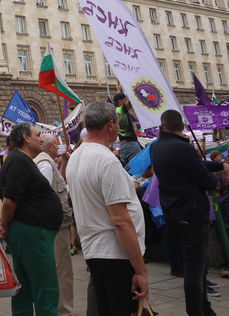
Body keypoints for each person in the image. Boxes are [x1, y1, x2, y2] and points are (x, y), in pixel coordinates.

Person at [150, 110, 229, 316]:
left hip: (173, 212)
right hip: (191, 213)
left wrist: (219, 164)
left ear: (162, 127)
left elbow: (193, 165)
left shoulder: (157, 147)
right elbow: (206, 180)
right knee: (195, 268)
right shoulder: (183, 148)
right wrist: (215, 179)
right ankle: (197, 311)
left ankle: (204, 308)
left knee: (196, 265)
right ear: (182, 127)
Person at [67, 101, 148, 316]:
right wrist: (140, 270)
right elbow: (120, 220)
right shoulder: (107, 160)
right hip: (117, 254)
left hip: (95, 251)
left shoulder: (75, 157)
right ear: (110, 125)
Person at [0, 122, 64, 316]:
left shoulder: (18, 160)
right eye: (37, 134)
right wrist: (4, 225)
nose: (41, 138)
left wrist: (4, 223)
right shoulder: (19, 161)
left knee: (24, 288)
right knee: (46, 289)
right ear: (25, 137)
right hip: (33, 234)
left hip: (30, 232)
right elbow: (8, 201)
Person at [35, 132, 76, 316]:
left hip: (53, 226)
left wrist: (64, 163)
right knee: (62, 272)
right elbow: (42, 194)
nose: (58, 148)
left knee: (58, 270)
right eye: (56, 145)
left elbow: (55, 184)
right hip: (55, 228)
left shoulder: (46, 163)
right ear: (50, 147)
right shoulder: (44, 164)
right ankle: (63, 311)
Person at [113, 93, 141, 167]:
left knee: (126, 170)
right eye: (125, 99)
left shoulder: (114, 111)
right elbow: (131, 103)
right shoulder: (121, 110)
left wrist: (119, 90)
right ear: (120, 101)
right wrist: (133, 91)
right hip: (131, 144)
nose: (126, 101)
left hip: (122, 146)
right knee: (135, 169)